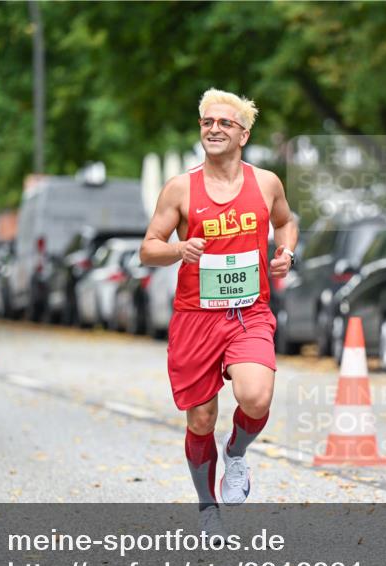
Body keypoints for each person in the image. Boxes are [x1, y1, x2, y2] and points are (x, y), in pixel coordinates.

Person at [140, 89, 298, 541]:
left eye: (224, 123)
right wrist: (177, 248)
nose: (213, 129)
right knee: (200, 419)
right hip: (195, 317)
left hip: (248, 311)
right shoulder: (180, 188)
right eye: (207, 122)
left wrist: (286, 250)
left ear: (244, 134)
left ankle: (236, 452)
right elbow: (147, 248)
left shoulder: (266, 183)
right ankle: (207, 507)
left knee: (256, 398)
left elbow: (287, 222)